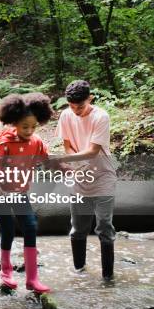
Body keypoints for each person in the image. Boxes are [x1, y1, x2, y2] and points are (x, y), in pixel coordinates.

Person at [0, 93, 52, 293]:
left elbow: (48, 161)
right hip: (1, 194)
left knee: (30, 226)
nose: (30, 131)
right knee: (7, 229)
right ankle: (6, 272)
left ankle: (32, 279)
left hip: (20, 192)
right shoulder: (4, 141)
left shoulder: (37, 142)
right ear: (14, 122)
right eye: (25, 127)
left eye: (34, 126)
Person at [55, 80, 117, 281]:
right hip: (79, 177)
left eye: (80, 107)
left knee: (104, 228)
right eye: (71, 106)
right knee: (78, 228)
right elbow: (67, 146)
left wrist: (64, 160)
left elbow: (92, 152)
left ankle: (108, 277)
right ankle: (79, 273)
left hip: (103, 177)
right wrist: (74, 166)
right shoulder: (66, 115)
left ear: (90, 99)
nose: (75, 111)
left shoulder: (101, 116)